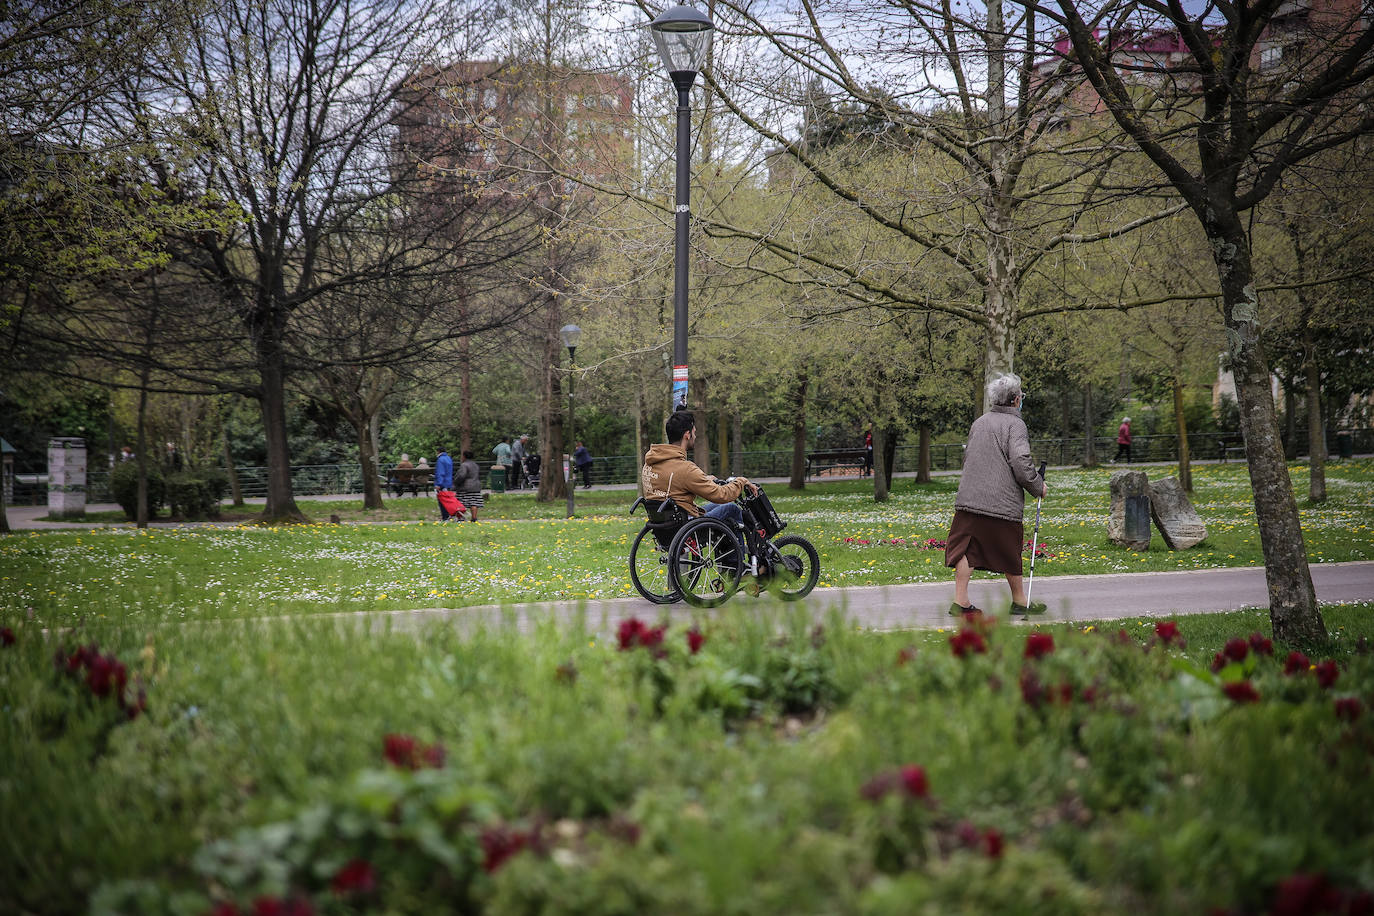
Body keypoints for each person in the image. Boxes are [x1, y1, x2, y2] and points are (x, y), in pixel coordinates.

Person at [943, 373, 1048, 617]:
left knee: (966, 549)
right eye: (1021, 396)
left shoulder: (979, 422)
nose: (1021, 400)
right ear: (1014, 400)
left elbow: (968, 457)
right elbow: (1021, 463)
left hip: (970, 499)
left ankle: (961, 602)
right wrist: (1037, 486)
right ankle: (1020, 602)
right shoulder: (1016, 425)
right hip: (1001, 503)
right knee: (1010, 549)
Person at [641, 410, 757, 526]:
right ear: (687, 435)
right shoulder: (685, 468)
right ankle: (740, 545)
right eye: (694, 432)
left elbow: (674, 483)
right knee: (731, 508)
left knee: (719, 507)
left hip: (665, 524)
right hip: (686, 525)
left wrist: (704, 479)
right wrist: (741, 481)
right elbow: (722, 495)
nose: (695, 436)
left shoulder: (651, 463)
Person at [455, 450, 483, 522]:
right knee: (474, 502)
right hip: (476, 486)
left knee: (461, 502)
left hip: (465, 487)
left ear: (464, 456)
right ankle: (474, 518)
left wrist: (456, 482)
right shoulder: (475, 465)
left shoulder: (464, 465)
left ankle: (460, 518)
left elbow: (462, 475)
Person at [434, 446, 457, 521]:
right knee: (448, 500)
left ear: (438, 451)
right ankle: (450, 515)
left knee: (442, 501)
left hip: (442, 483)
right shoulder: (448, 458)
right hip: (448, 482)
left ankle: (445, 517)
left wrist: (438, 484)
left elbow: (440, 472)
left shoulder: (440, 460)